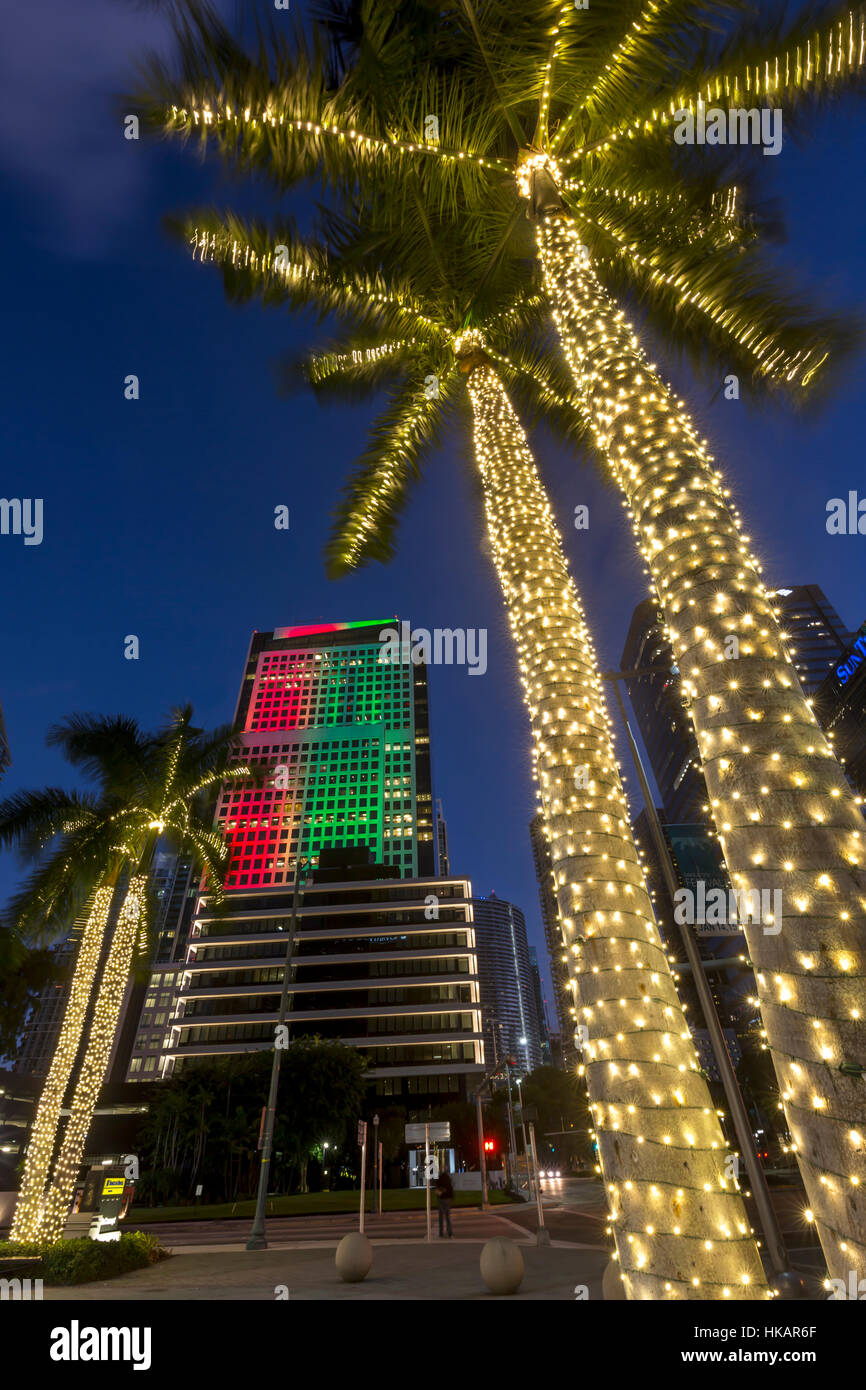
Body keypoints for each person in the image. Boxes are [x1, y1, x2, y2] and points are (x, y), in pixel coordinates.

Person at [434, 1168, 454, 1238]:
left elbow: (436, 1188)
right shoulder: (448, 1179)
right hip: (447, 1199)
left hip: (441, 1199)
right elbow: (451, 1189)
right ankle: (450, 1232)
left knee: (441, 1217)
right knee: (448, 1217)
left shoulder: (439, 1179)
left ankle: (441, 1232)